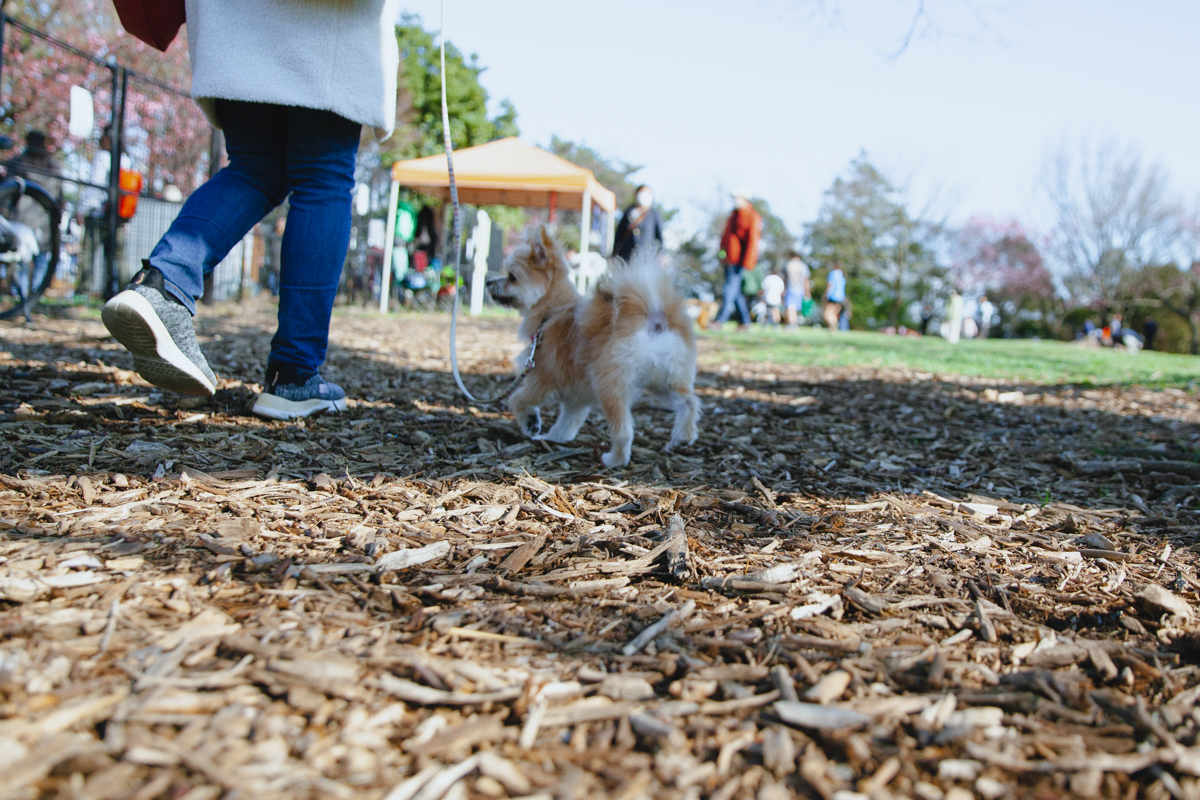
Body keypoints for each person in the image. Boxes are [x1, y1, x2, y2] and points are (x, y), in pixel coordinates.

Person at [101, 0, 401, 420]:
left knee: (256, 168)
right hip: (320, 23)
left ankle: (163, 284)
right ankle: (294, 375)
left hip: (232, 21)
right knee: (322, 178)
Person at [710, 189, 760, 330]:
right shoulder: (733, 216)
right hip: (728, 260)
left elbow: (753, 241)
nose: (735, 200)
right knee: (736, 293)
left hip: (739, 261)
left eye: (738, 197)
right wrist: (721, 255)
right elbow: (725, 238)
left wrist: (748, 262)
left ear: (745, 199)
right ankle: (745, 322)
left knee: (728, 291)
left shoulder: (752, 216)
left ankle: (720, 321)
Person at [613, 184, 663, 262]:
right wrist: (614, 253)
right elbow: (619, 234)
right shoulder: (628, 212)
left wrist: (662, 254)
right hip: (627, 255)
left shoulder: (654, 214)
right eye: (642, 192)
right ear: (636, 194)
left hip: (647, 257)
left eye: (647, 193)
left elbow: (660, 235)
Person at [784, 254, 810, 329]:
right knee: (795, 308)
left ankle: (792, 324)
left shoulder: (788, 264)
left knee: (790, 307)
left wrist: (784, 288)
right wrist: (807, 291)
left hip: (790, 289)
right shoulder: (803, 265)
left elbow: (784, 278)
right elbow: (806, 280)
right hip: (800, 290)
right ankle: (793, 324)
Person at [823, 263, 846, 331]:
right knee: (834, 314)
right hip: (841, 298)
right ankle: (833, 328)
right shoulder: (842, 275)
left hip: (832, 297)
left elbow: (831, 284)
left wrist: (826, 294)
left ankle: (833, 325)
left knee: (827, 314)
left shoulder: (833, 273)